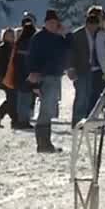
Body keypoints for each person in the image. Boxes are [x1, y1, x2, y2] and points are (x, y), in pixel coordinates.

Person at [27, 9, 70, 153]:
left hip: (56, 76)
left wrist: (65, 33)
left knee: (50, 110)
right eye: (50, 23)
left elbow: (69, 48)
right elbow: (32, 58)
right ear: (46, 23)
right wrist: (34, 81)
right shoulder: (38, 38)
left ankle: (45, 142)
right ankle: (43, 143)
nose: (53, 25)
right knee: (46, 111)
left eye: (55, 23)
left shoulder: (59, 38)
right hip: (43, 77)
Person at [69, 5, 105, 125]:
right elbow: (71, 53)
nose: (93, 27)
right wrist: (71, 68)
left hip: (97, 70)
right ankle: (77, 121)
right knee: (82, 96)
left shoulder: (101, 34)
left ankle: (89, 120)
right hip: (82, 70)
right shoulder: (77, 35)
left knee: (94, 96)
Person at [8, 13, 37, 130]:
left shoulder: (19, 41)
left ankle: (19, 119)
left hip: (19, 74)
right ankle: (23, 120)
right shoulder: (34, 40)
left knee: (21, 98)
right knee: (27, 98)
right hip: (29, 73)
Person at [0, 28, 16, 128]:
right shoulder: (3, 48)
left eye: (12, 35)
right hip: (5, 77)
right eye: (9, 35)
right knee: (11, 99)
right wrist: (0, 77)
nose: (12, 37)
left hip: (11, 76)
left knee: (11, 99)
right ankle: (7, 118)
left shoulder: (13, 47)